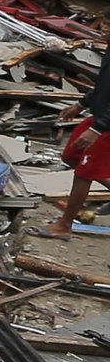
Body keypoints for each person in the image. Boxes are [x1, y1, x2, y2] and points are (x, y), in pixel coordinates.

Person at [51, 60, 110, 236]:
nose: (104, 30)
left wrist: (97, 129)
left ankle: (64, 226)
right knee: (70, 156)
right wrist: (80, 104)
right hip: (100, 115)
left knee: (83, 174)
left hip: (106, 125)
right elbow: (103, 86)